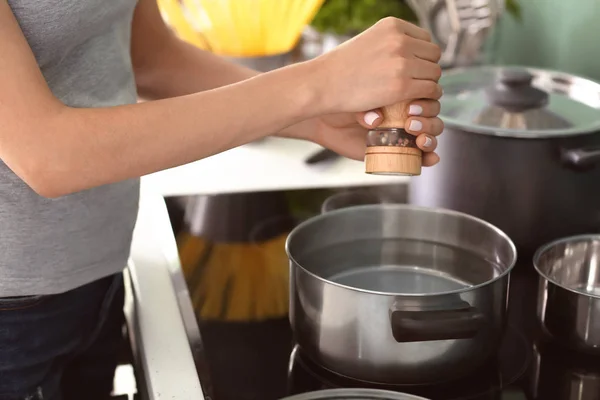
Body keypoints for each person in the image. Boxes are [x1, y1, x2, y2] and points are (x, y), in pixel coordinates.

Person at [0, 0, 443, 399]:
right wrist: (318, 84)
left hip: (97, 271)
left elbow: (152, 59)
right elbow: (49, 155)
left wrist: (316, 119)